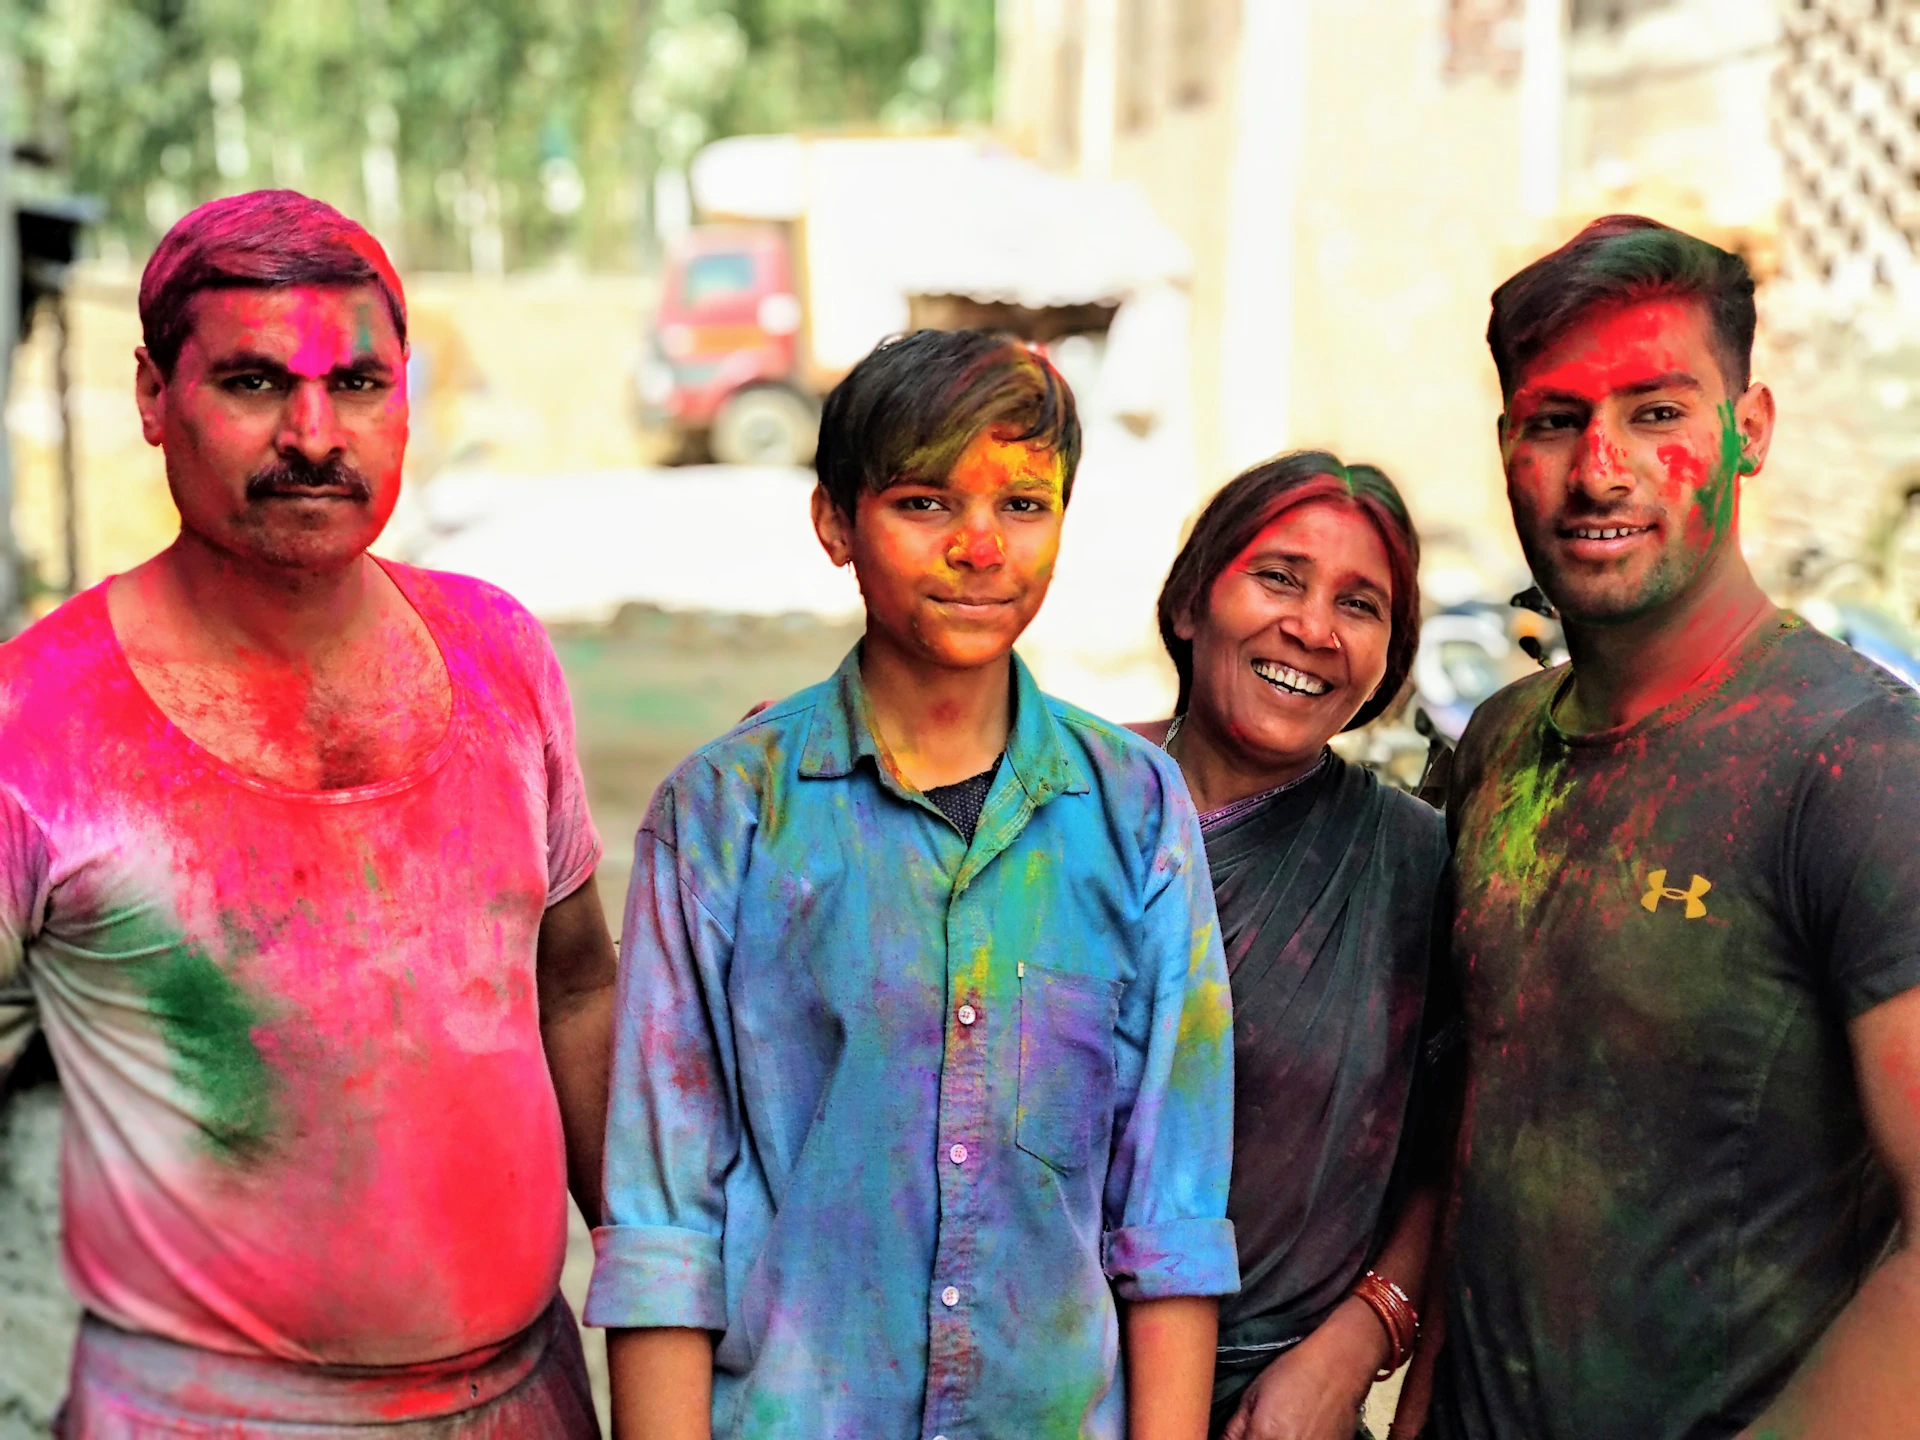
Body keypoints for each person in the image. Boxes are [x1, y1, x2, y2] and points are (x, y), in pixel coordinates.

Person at [0, 191, 615, 1435]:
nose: (314, 435)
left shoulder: (499, 654)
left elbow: (576, 992)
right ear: (151, 396)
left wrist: (661, 1293)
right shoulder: (34, 728)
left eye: (360, 384)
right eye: (252, 382)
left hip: (527, 1400)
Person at [585, 328, 1239, 1439]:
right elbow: (663, 1224)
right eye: (927, 503)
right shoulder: (725, 815)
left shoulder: (1135, 811)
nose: (980, 550)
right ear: (836, 522)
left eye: (1023, 507)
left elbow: (1169, 1212)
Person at [1416, 216, 1920, 1439]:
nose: (1600, 470)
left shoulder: (1857, 765)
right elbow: (1473, 1145)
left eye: (1655, 413)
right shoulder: (1496, 745)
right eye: (1555, 420)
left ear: (1746, 433)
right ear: (1506, 450)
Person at [1134, 453, 1456, 1440]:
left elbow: (1462, 1149)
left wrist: (1363, 1334)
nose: (1313, 629)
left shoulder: (1419, 867)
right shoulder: (1059, 806)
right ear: (1192, 602)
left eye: (1360, 605)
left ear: (1386, 663)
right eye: (1279, 577)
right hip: (1036, 1386)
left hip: (1276, 1415)